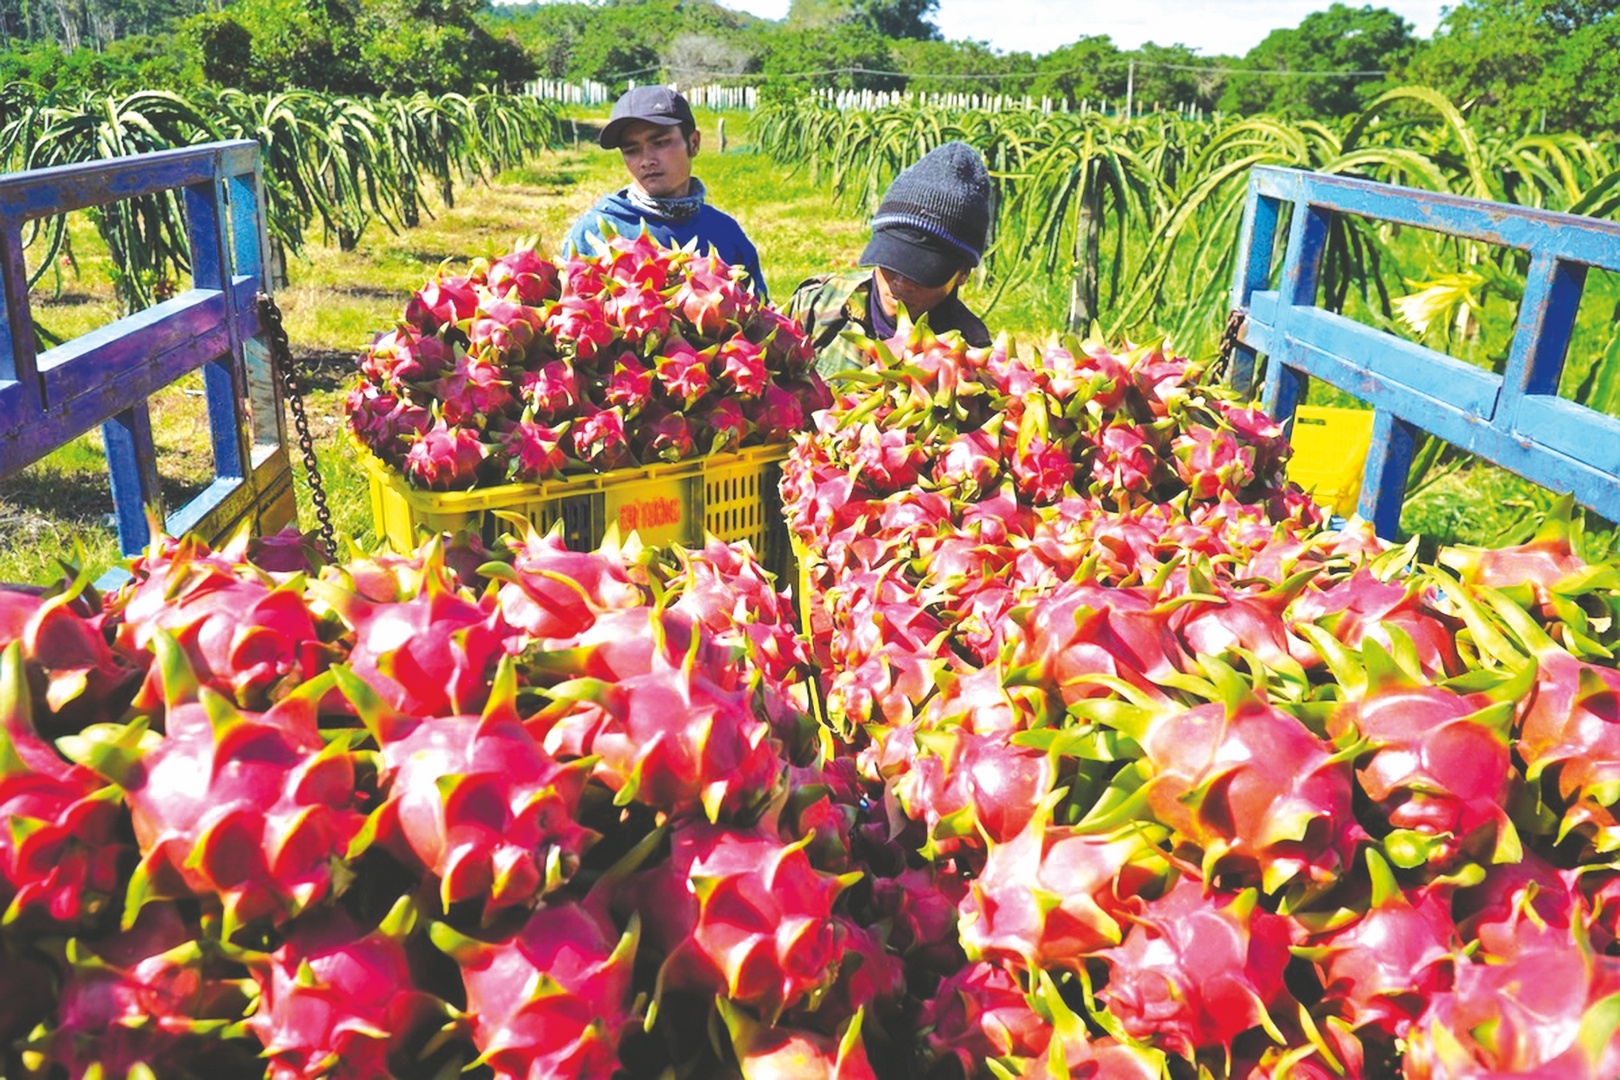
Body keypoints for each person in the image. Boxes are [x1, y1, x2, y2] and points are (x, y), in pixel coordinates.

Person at [787, 140, 993, 376]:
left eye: (922, 271)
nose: (901, 283)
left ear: (963, 273)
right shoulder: (817, 304)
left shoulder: (970, 355)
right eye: (892, 260)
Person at [563, 85, 768, 299]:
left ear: (694, 143)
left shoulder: (725, 232)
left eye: (660, 143)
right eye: (631, 150)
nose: (646, 160)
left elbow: (760, 320)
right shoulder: (594, 233)